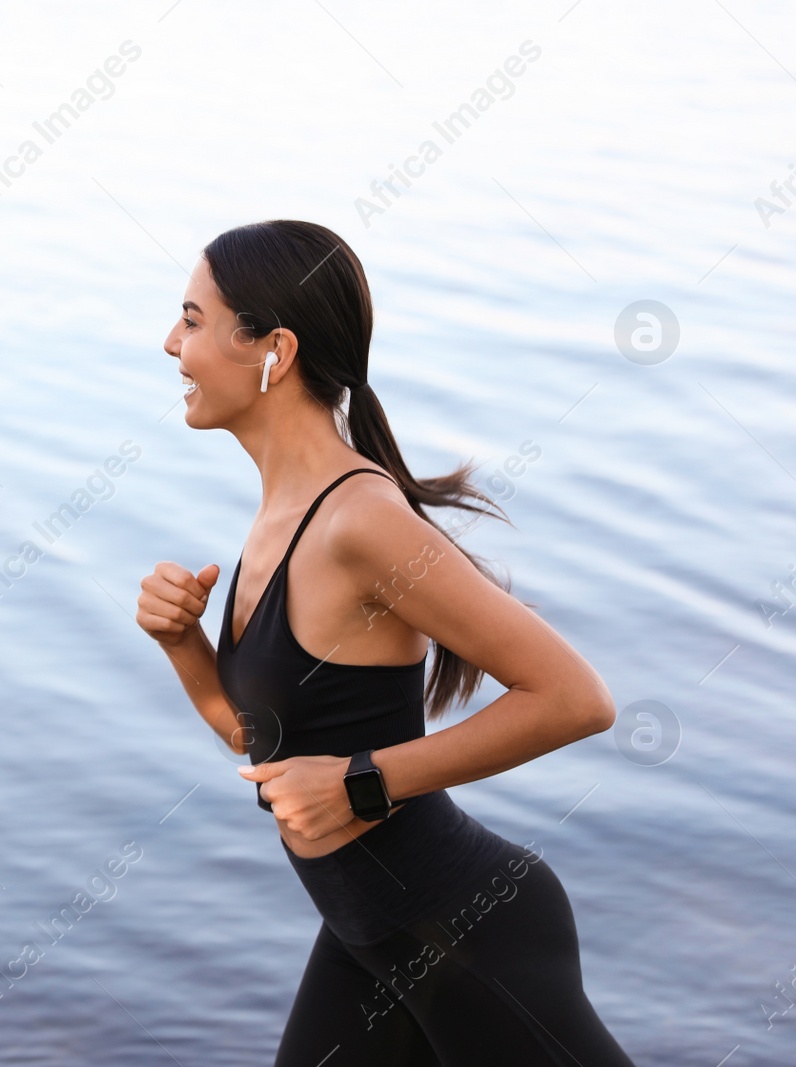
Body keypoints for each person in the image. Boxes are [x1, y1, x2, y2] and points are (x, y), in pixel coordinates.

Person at [135, 220, 636, 1066]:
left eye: (192, 318)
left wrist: (363, 783)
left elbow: (577, 699)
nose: (170, 342)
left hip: (468, 933)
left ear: (273, 350)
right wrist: (184, 645)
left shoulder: (358, 519)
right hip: (370, 935)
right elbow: (270, 751)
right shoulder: (281, 516)